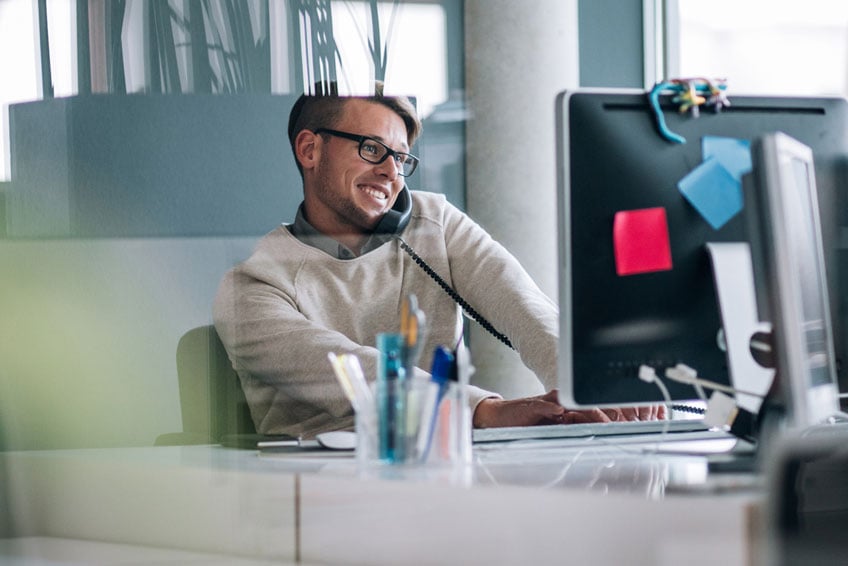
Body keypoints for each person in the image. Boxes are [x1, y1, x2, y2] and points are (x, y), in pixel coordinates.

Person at [213, 82, 662, 439]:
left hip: (444, 474)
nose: (391, 173)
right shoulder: (252, 288)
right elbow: (356, 373)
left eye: (401, 158)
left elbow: (525, 307)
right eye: (372, 149)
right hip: (319, 499)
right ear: (309, 149)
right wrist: (483, 410)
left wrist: (593, 382)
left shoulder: (434, 223)